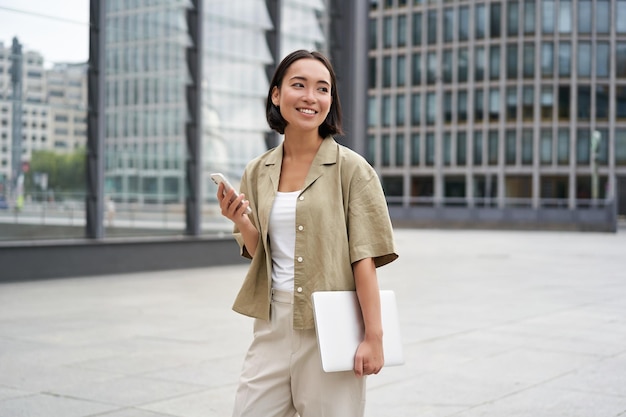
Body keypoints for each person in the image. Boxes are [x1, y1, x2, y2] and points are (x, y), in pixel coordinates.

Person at [217, 49, 399, 417]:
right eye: (298, 85)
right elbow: (261, 255)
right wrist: (241, 221)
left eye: (322, 89)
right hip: (271, 323)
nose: (310, 97)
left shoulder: (352, 170)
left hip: (330, 327)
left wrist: (374, 337)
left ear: (331, 101)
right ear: (276, 94)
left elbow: (364, 259)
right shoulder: (257, 170)